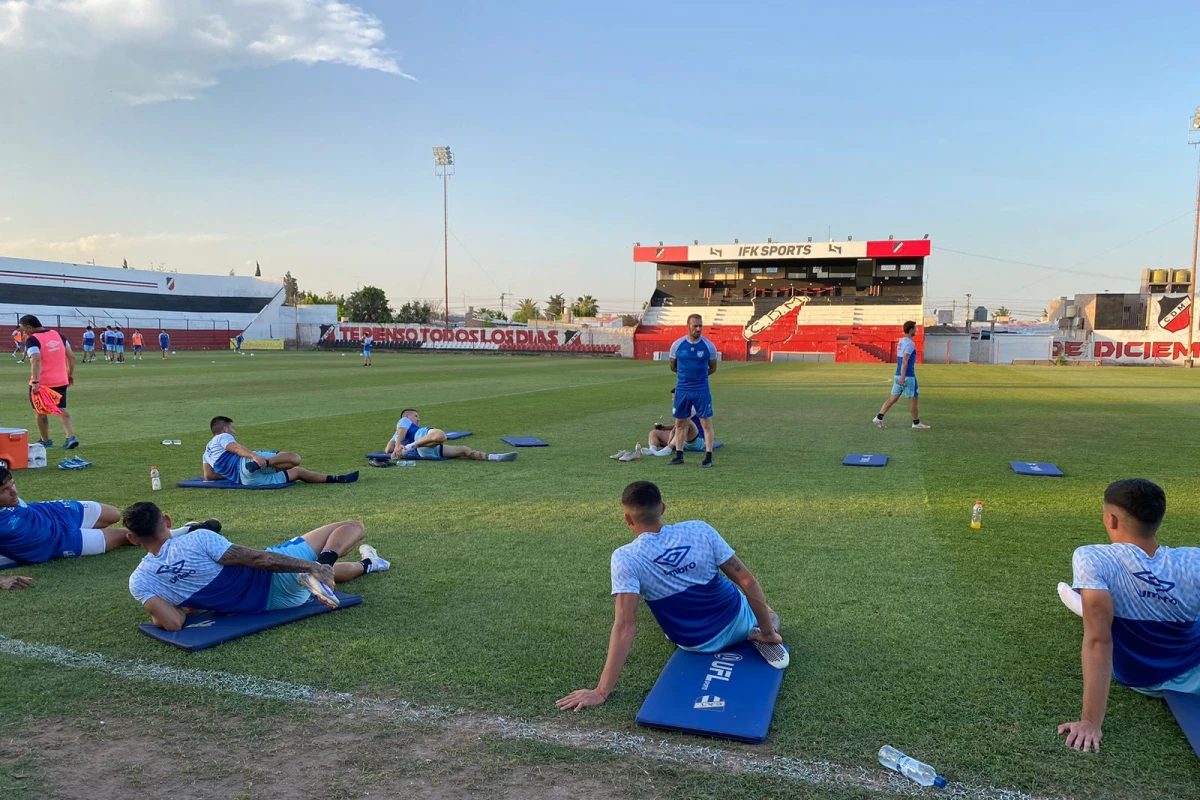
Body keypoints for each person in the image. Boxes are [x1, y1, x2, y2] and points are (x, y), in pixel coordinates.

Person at [556, 481, 786, 712]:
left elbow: (625, 626)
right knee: (765, 611)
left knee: (647, 597)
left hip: (694, 642)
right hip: (738, 622)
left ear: (628, 519)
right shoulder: (700, 530)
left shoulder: (626, 558)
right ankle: (763, 630)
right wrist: (768, 632)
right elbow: (747, 581)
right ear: (663, 508)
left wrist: (601, 691)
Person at [1056, 479, 1200, 753]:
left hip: (1143, 676)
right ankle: (1084, 603)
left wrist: (1091, 721)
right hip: (1189, 663)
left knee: (1101, 615)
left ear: (1111, 519)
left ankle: (1083, 603)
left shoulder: (1093, 558)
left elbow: (1099, 639)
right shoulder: (1193, 560)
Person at [125, 503, 390, 626]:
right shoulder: (198, 539)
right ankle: (322, 567)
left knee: (311, 573)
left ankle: (369, 563)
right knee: (352, 526)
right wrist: (312, 567)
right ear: (168, 521)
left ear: (132, 538)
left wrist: (165, 606)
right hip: (280, 578)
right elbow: (257, 559)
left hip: (269, 605)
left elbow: (172, 623)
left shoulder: (141, 580)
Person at [0, 465, 218, 568]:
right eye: (6, 490)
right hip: (62, 542)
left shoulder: (10, 496)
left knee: (113, 513)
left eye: (13, 485)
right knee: (128, 536)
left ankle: (97, 532)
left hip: (54, 512)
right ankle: (187, 530)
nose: (14, 492)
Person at [203, 416, 359, 486]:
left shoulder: (206, 453)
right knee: (294, 458)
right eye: (232, 428)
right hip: (246, 463)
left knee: (296, 471)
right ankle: (266, 463)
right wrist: (255, 456)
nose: (233, 431)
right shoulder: (222, 437)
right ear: (224, 428)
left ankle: (338, 479)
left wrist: (232, 475)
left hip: (247, 480)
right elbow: (236, 448)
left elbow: (208, 476)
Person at [20, 314, 79, 450]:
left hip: (43, 382)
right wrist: (70, 373)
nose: (23, 332)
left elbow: (36, 359)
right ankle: (70, 437)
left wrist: (35, 381)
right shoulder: (59, 335)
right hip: (61, 379)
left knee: (40, 411)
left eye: (23, 329)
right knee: (61, 407)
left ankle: (46, 440)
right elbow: (71, 356)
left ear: (29, 328)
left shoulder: (33, 340)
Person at [667, 314, 718, 468]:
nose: (698, 329)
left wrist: (698, 378)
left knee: (705, 422)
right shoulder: (677, 345)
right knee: (680, 422)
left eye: (700, 326)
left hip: (701, 389)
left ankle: (708, 457)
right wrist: (686, 378)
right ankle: (679, 456)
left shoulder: (708, 346)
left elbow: (713, 367)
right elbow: (672, 366)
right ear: (688, 326)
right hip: (682, 389)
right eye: (695, 326)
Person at [382, 409, 516, 462]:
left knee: (463, 450)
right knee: (441, 435)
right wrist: (399, 445)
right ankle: (411, 446)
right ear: (407, 416)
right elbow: (401, 431)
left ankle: (495, 457)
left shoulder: (399, 432)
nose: (418, 419)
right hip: (419, 438)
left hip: (426, 450)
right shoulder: (404, 421)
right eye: (416, 416)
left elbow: (388, 450)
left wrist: (397, 447)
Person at [873, 321, 929, 430]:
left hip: (897, 375)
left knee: (893, 398)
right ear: (911, 329)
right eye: (915, 328)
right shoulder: (909, 343)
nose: (916, 330)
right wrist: (904, 376)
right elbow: (905, 360)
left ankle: (879, 417)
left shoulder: (901, 342)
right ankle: (916, 423)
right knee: (913, 399)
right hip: (907, 376)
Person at [642, 388, 706, 457]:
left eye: (675, 398)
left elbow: (685, 422)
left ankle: (668, 449)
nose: (673, 400)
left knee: (687, 423)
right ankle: (652, 450)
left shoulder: (693, 406)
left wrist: (673, 432)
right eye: (672, 397)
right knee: (654, 432)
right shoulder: (678, 408)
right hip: (682, 439)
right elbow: (678, 425)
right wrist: (664, 427)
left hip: (696, 441)